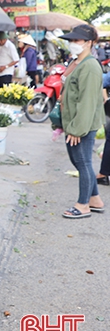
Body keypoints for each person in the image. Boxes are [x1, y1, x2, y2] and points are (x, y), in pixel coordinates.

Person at [58, 25, 105, 218]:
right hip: (74, 121)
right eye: (71, 40)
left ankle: (83, 204)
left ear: (89, 43)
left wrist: (77, 129)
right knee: (79, 160)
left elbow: (88, 101)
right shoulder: (78, 62)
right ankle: (94, 199)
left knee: (83, 162)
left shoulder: (91, 66)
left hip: (82, 124)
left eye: (77, 40)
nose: (72, 44)